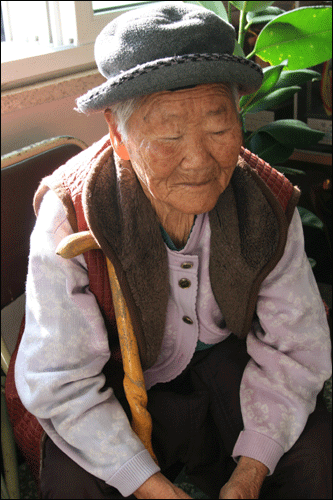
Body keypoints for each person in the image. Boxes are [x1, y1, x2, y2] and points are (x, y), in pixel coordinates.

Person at [13, 2, 331, 499]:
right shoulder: (71, 212)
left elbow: (296, 347)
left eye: (219, 127)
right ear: (118, 135)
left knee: (312, 463)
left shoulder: (268, 202)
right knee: (75, 484)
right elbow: (62, 378)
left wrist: (251, 472)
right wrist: (146, 483)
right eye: (167, 134)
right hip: (110, 377)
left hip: (224, 366)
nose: (199, 160)